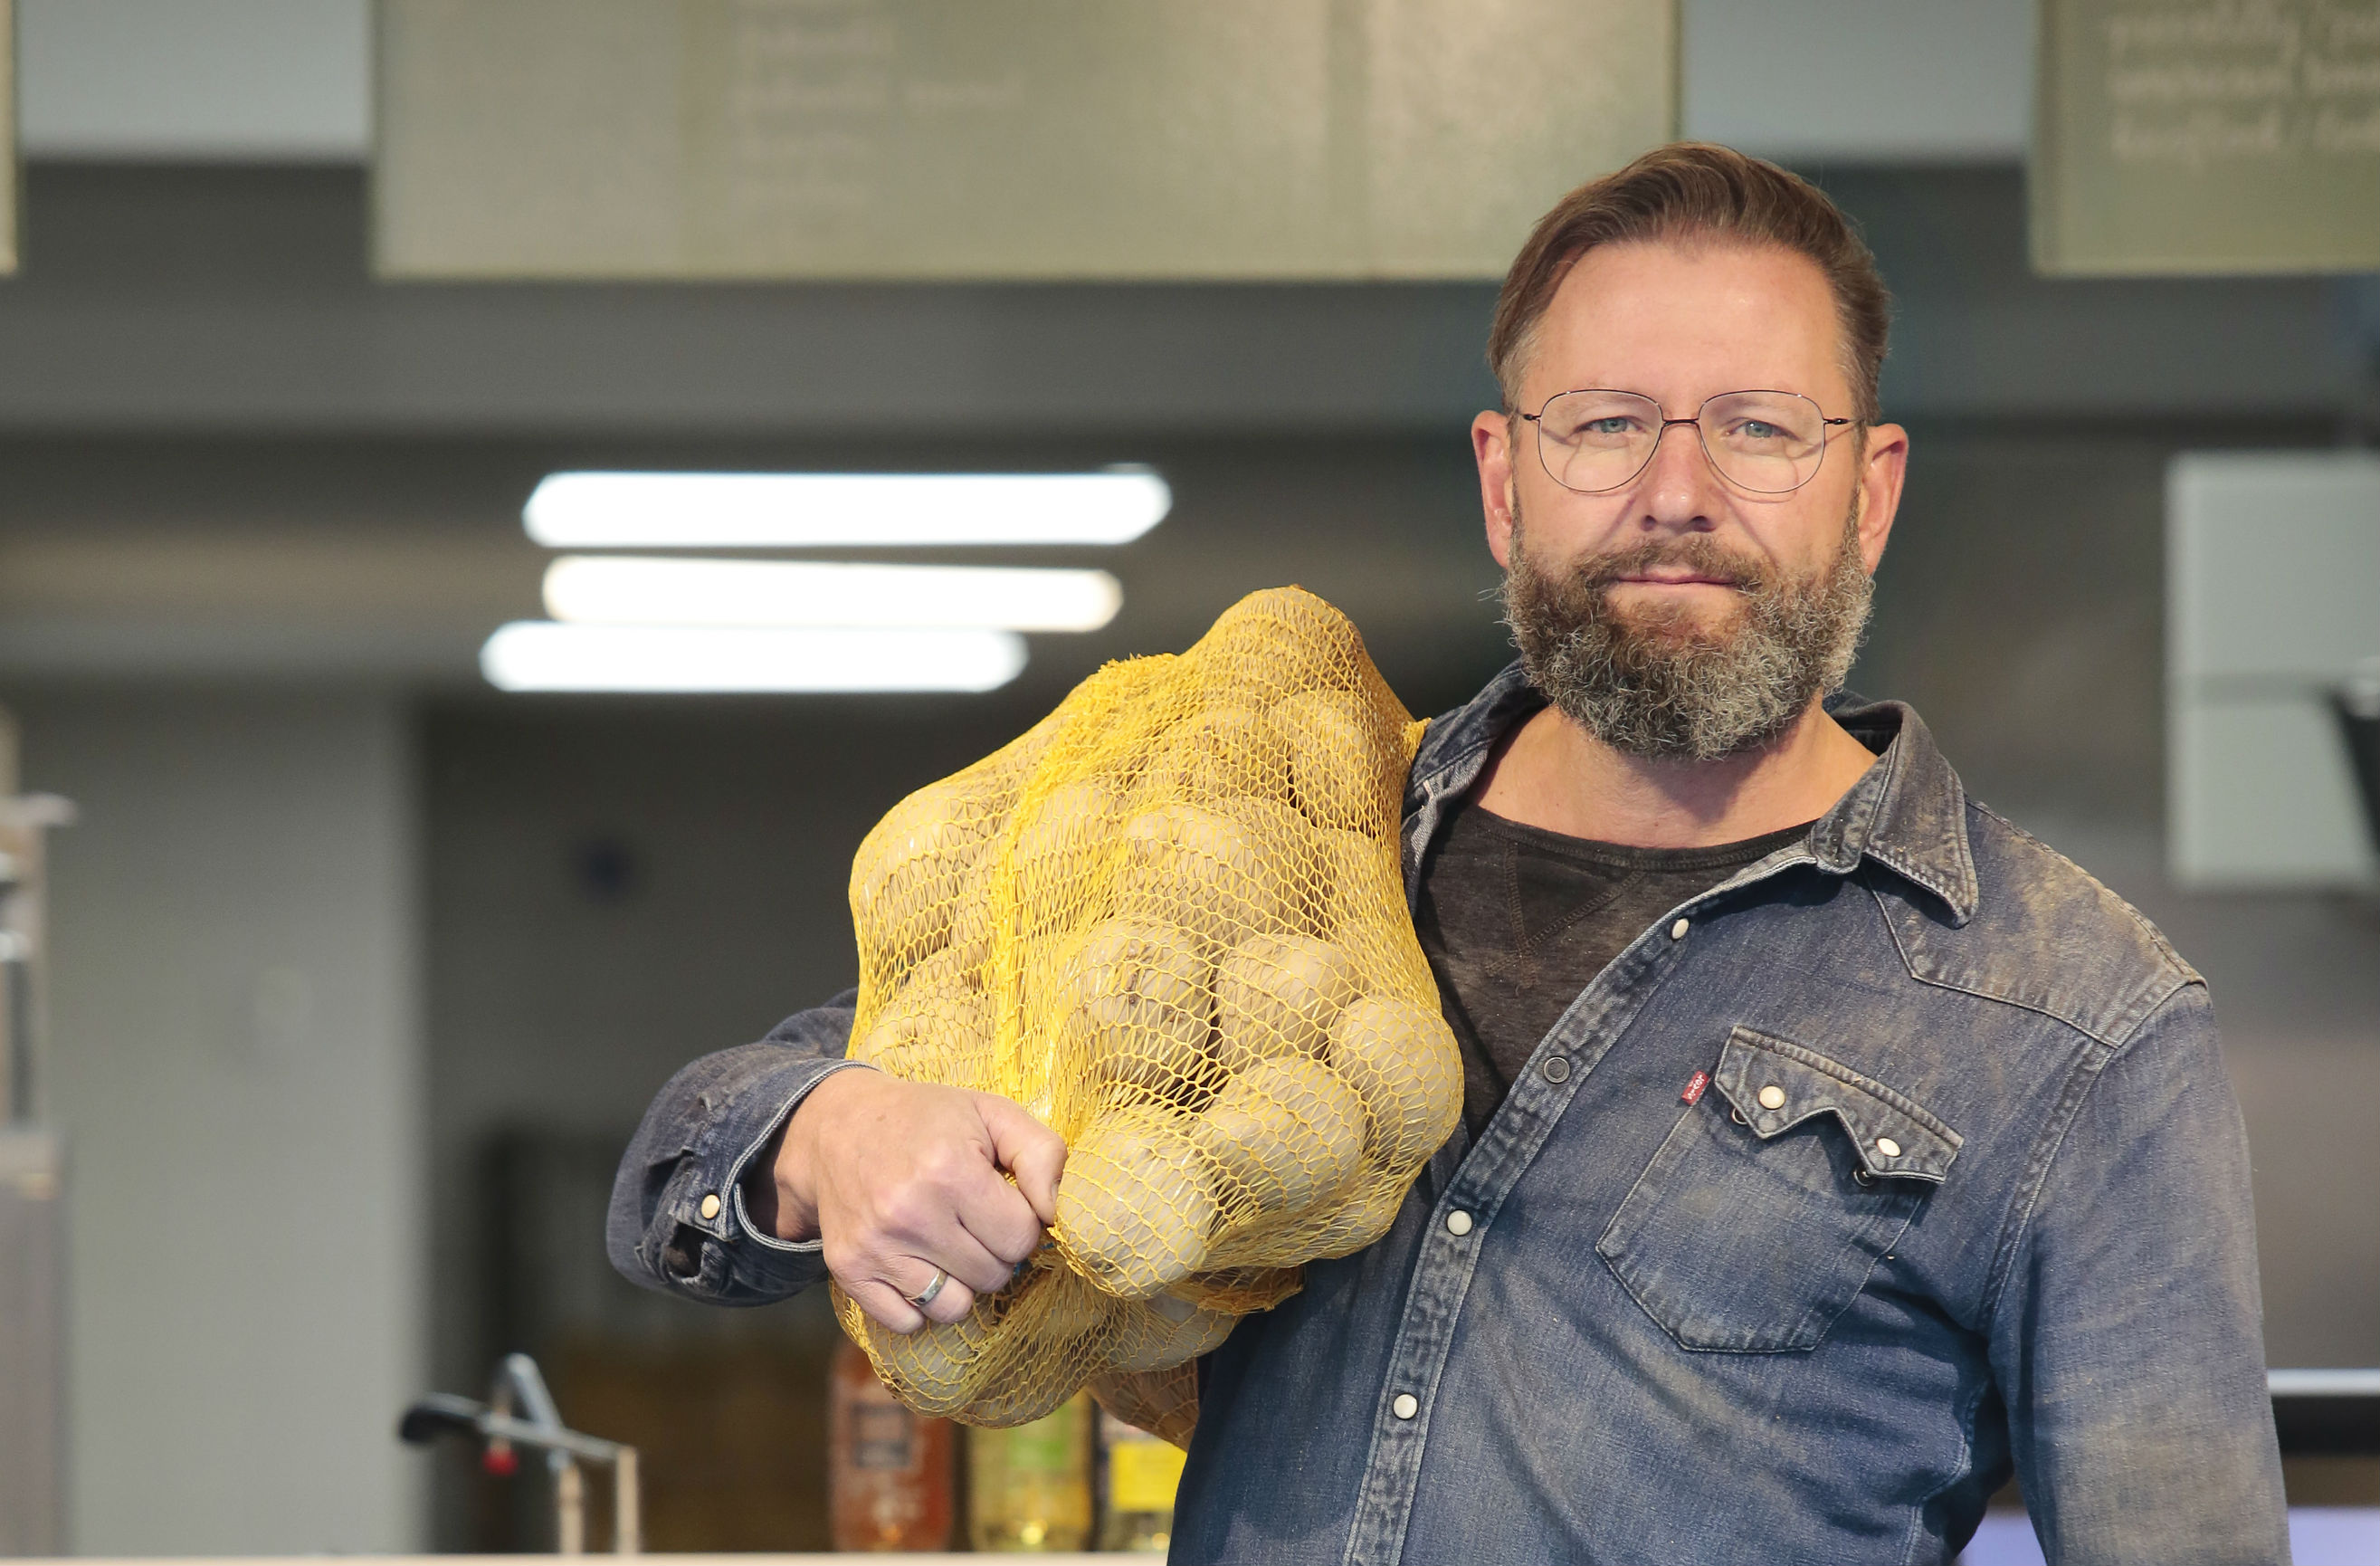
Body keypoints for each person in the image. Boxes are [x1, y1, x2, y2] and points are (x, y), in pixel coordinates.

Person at [608, 143, 2288, 1563]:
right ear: (1503, 481)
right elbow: (689, 1158)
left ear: (1868, 493)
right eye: (1604, 423)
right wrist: (830, 1133)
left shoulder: (2076, 1020)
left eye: (1762, 427)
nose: (1677, 491)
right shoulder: (1281, 832)